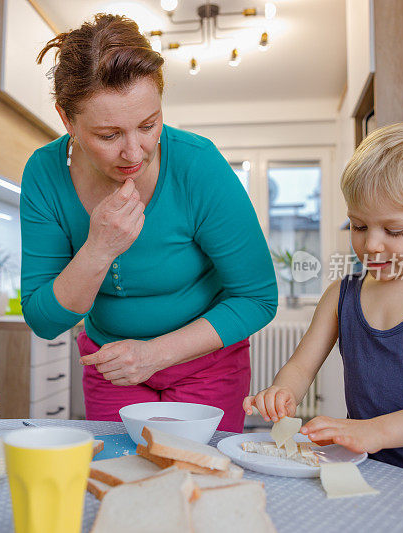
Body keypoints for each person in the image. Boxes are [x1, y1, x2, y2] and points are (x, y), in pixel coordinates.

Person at [21, 14, 277, 432]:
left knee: (197, 479)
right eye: (108, 135)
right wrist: (98, 248)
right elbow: (45, 319)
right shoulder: (43, 174)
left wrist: (155, 353)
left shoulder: (198, 165)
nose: (134, 152)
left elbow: (258, 297)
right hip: (112, 365)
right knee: (121, 480)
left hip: (206, 366)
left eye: (148, 125)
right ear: (67, 121)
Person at [244, 122, 403, 501]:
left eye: (393, 231)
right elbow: (301, 367)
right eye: (359, 225)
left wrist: (377, 430)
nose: (372, 245)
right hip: (373, 473)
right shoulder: (340, 294)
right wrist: (283, 391)